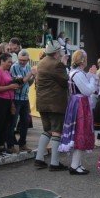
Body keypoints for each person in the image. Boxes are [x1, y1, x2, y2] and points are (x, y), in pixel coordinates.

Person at [59, 49, 97, 174]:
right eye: (85, 58)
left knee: (80, 133)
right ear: (82, 60)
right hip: (80, 104)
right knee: (80, 133)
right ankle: (75, 166)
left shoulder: (75, 72)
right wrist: (93, 79)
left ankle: (77, 164)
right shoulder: (78, 74)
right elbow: (87, 90)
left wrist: (91, 76)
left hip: (77, 103)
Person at [34, 40, 70, 170]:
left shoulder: (42, 62)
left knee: (47, 130)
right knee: (56, 131)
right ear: (56, 53)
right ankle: (54, 163)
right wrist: (64, 64)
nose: (61, 53)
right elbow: (65, 81)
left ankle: (39, 158)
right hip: (55, 103)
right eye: (60, 51)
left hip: (42, 102)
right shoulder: (57, 64)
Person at [0, 53, 19, 156]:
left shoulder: (7, 71)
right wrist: (10, 87)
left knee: (6, 124)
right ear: (2, 61)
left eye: (11, 62)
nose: (10, 64)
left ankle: (2, 146)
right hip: (0, 101)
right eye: (9, 62)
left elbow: (9, 84)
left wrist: (15, 85)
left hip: (8, 100)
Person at [8, 49, 36, 153]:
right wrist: (30, 75)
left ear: (28, 59)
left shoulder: (28, 67)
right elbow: (19, 83)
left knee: (25, 122)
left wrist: (33, 76)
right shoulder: (15, 67)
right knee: (12, 123)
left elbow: (29, 83)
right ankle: (10, 145)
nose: (22, 62)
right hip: (16, 98)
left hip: (25, 98)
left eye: (24, 60)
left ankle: (22, 143)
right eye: (20, 59)